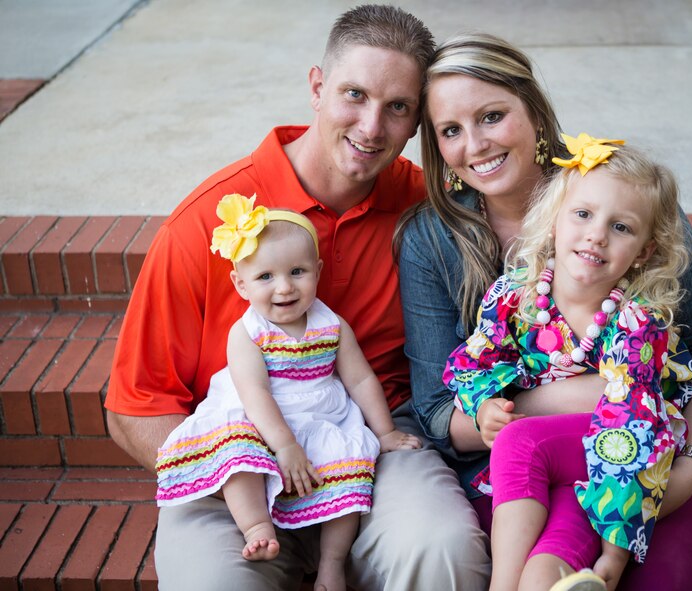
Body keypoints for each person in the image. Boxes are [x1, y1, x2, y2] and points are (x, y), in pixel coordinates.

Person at [105, 6, 491, 590]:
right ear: (316, 87)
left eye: (397, 107)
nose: (370, 126)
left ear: (416, 123)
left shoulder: (426, 208)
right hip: (237, 463)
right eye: (353, 94)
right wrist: (239, 471)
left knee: (442, 550)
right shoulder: (209, 222)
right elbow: (136, 406)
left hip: (370, 449)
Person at [395, 33, 692, 590]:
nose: (476, 145)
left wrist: (691, 466)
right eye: (450, 131)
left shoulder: (626, 197)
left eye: (491, 116)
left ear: (534, 111)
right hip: (518, 467)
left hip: (647, 457)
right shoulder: (432, 241)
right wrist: (558, 401)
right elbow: (440, 410)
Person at [444, 136, 692, 591]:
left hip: (616, 460)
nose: (597, 235)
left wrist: (614, 554)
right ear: (553, 224)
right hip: (559, 468)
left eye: (621, 227)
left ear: (643, 252)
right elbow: (471, 362)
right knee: (545, 570)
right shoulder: (515, 298)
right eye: (582, 214)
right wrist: (484, 404)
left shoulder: (636, 322)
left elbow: (629, 432)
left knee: (522, 443)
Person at [154, 195, 421, 590]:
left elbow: (361, 380)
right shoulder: (247, 333)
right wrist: (284, 446)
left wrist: (383, 433)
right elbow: (255, 393)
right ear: (240, 284)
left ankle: (332, 564)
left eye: (297, 271)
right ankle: (257, 527)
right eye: (265, 277)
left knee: (350, 465)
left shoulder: (331, 325)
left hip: (319, 413)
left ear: (318, 270)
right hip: (259, 419)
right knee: (237, 455)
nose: (284, 288)